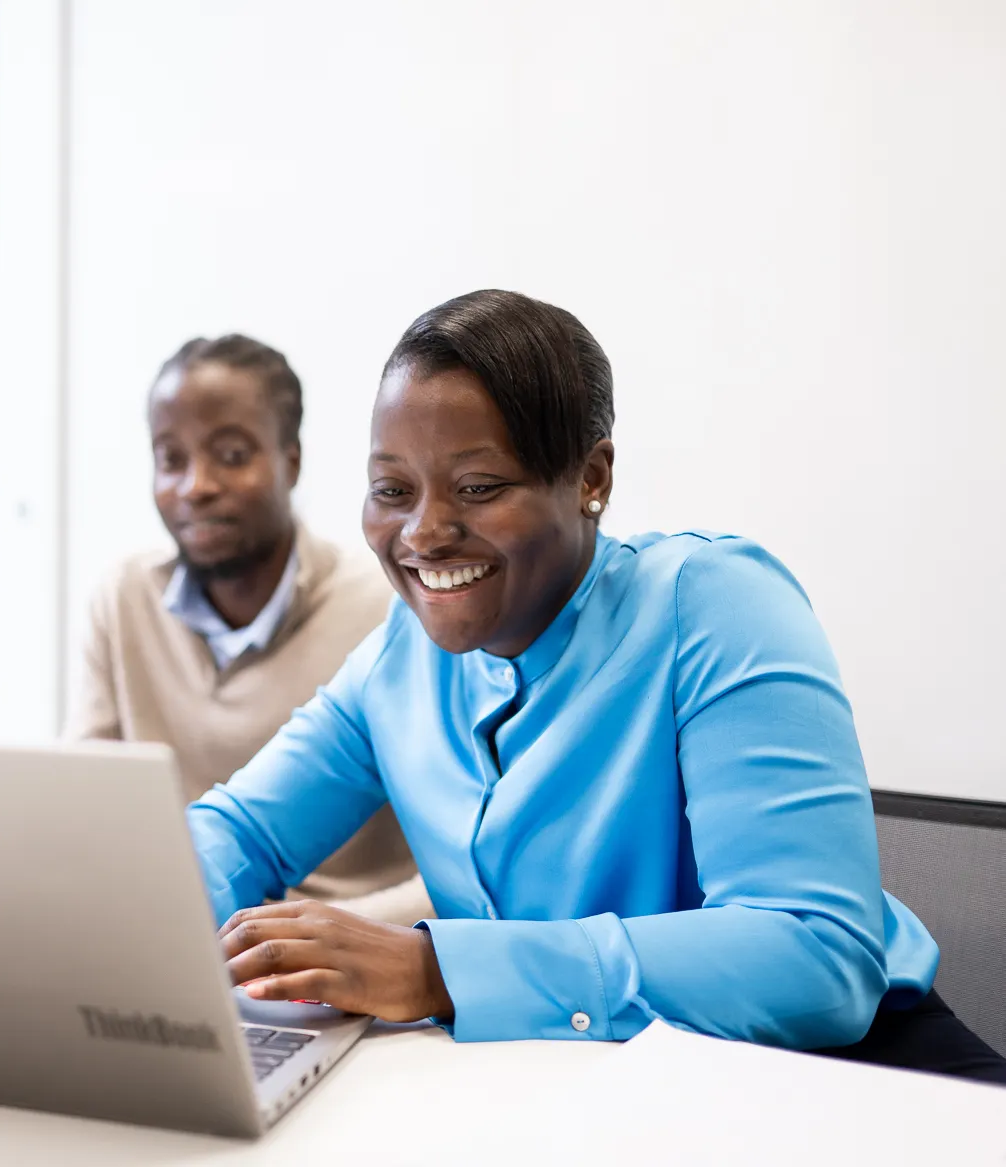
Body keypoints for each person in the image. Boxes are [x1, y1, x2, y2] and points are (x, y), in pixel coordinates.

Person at [192, 290, 1006, 1084]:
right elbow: (241, 831)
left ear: (591, 476)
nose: (424, 532)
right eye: (392, 490)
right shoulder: (399, 659)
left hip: (849, 1076)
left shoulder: (711, 602)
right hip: (587, 1087)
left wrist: (438, 970)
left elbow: (816, 954)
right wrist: (133, 925)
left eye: (477, 487)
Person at [68, 334, 431, 924]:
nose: (196, 486)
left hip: (349, 949)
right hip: (182, 927)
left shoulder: (391, 611)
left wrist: (345, 935)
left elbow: (462, 873)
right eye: (171, 458)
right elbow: (87, 817)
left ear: (291, 461)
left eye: (231, 455)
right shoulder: (125, 600)